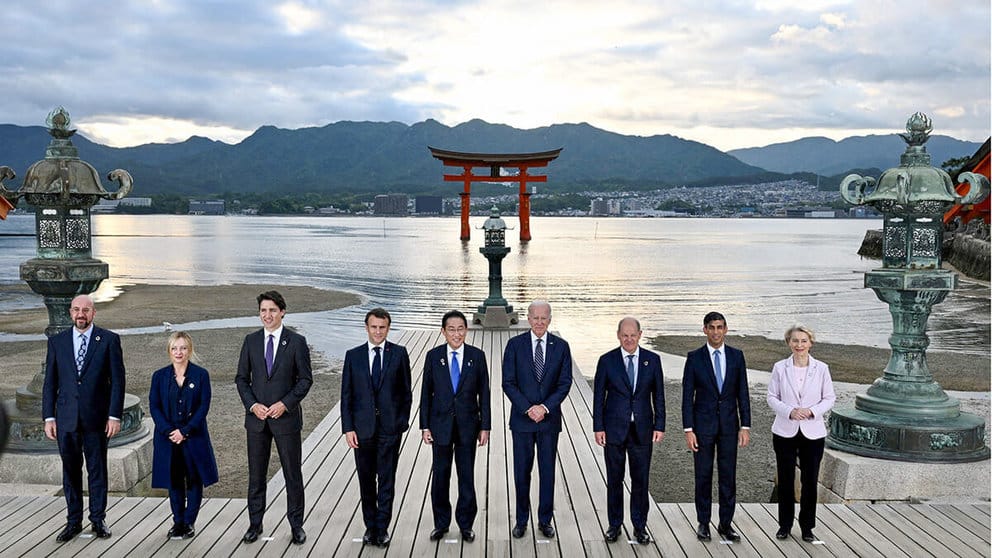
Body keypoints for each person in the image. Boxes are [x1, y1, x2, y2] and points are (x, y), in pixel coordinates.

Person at [42, 294, 125, 543]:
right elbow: (50, 383)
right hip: (65, 420)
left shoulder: (109, 340)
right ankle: (73, 521)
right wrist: (48, 417)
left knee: (97, 470)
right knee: (71, 472)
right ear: (70, 312)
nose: (81, 314)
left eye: (86, 310)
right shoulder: (57, 342)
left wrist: (114, 415)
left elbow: (118, 382)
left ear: (93, 313)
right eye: (77, 310)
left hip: (97, 419)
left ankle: (98, 520)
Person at [235, 291, 313, 545]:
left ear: (282, 312)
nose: (267, 315)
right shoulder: (251, 341)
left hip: (286, 420)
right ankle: (255, 525)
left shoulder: (297, 342)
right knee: (256, 475)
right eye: (263, 311)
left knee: (293, 474)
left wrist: (285, 404)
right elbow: (241, 379)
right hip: (257, 421)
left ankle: (296, 525)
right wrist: (252, 405)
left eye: (272, 310)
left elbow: (305, 380)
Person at [341, 308, 412, 547]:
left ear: (388, 328)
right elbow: (347, 396)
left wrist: (401, 422)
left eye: (382, 327)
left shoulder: (399, 354)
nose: (378, 331)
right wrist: (348, 428)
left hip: (390, 429)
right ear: (367, 328)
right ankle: (370, 526)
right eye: (374, 327)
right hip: (362, 430)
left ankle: (382, 528)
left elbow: (406, 392)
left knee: (387, 479)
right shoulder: (353, 356)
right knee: (366, 480)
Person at [502, 300, 573, 539]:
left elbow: (564, 383)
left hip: (548, 421)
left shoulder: (561, 347)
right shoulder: (514, 345)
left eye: (544, 318)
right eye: (535, 318)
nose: (540, 322)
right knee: (522, 472)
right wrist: (528, 408)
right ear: (528, 319)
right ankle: (521, 520)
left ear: (550, 319)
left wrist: (544, 407)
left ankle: (545, 520)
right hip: (522, 421)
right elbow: (508, 382)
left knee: (547, 471)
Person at [420, 310, 491, 543]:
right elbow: (426, 394)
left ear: (466, 331)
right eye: (451, 329)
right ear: (443, 332)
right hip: (439, 426)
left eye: (461, 328)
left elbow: (485, 395)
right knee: (440, 476)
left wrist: (485, 427)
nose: (456, 334)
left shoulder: (477, 356)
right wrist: (424, 426)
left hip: (468, 427)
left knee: (466, 477)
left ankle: (466, 524)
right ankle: (441, 523)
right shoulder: (433, 356)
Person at [593, 317, 665, 545]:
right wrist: (598, 427)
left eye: (633, 335)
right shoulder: (607, 361)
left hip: (643, 430)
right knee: (614, 480)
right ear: (618, 335)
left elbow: (659, 397)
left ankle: (639, 526)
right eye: (625, 335)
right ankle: (614, 525)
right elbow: (598, 397)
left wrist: (660, 425)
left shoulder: (652, 360)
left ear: (640, 335)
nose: (629, 339)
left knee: (640, 481)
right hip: (613, 429)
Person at [681, 311, 751, 542]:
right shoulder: (694, 357)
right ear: (704, 330)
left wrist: (746, 426)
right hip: (702, 427)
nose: (716, 332)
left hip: (730, 426)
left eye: (720, 327)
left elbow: (743, 393)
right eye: (711, 327)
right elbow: (686, 396)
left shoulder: (736, 356)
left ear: (726, 329)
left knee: (728, 476)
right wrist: (688, 429)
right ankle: (703, 523)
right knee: (702, 476)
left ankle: (725, 524)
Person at [766, 324, 835, 543]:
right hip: (785, 430)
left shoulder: (822, 368)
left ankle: (807, 526)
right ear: (789, 343)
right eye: (795, 341)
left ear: (811, 343)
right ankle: (784, 525)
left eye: (803, 341)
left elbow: (830, 398)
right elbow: (771, 397)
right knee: (785, 480)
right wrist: (790, 411)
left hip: (813, 433)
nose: (799, 345)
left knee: (810, 481)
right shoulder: (779, 367)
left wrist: (812, 412)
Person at [149, 331, 219, 539]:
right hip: (168, 438)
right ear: (169, 351)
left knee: (194, 479)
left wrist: (185, 431)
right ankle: (177, 522)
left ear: (190, 350)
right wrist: (170, 431)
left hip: (193, 437)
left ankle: (189, 522)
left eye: (183, 348)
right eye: (174, 348)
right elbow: (154, 406)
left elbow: (203, 407)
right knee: (174, 480)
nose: (178, 352)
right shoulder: (159, 376)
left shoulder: (201, 375)